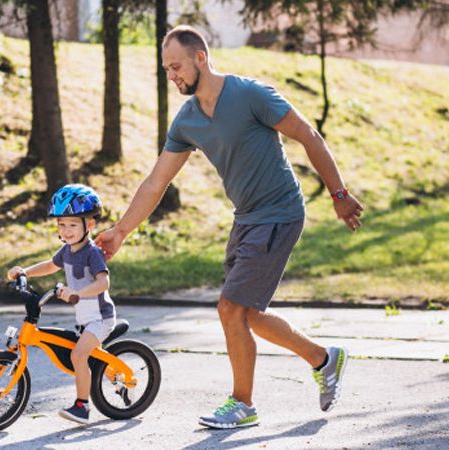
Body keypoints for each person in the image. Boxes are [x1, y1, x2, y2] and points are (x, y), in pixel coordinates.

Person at [95, 25, 364, 429]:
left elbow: (308, 135)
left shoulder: (250, 95)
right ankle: (323, 359)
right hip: (246, 218)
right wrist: (121, 230)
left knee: (230, 308)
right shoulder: (187, 121)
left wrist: (339, 195)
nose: (173, 76)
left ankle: (243, 404)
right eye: (167, 69)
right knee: (247, 315)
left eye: (177, 67)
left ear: (201, 58)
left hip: (279, 212)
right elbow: (156, 182)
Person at [7, 184, 116, 425]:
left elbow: (103, 282)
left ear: (89, 225)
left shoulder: (92, 253)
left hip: (101, 317)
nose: (66, 230)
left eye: (72, 225)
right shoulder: (67, 250)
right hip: (84, 318)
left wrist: (78, 292)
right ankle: (101, 376)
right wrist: (24, 272)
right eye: (61, 224)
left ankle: (82, 407)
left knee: (78, 355)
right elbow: (49, 265)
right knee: (79, 353)